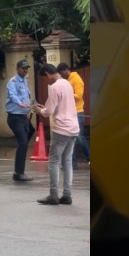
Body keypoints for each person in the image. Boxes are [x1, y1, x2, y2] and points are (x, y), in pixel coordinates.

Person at [32, 64, 80, 205]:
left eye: (45, 78)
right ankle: (67, 194)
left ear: (48, 73)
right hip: (74, 128)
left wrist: (39, 110)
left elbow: (48, 111)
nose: (47, 81)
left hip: (62, 128)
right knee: (67, 161)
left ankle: (53, 195)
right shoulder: (67, 83)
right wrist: (45, 108)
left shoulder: (54, 87)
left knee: (53, 161)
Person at [6, 59, 34, 182]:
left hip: (23, 117)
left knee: (31, 132)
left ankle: (20, 149)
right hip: (14, 116)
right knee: (23, 142)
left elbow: (27, 97)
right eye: (23, 68)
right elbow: (13, 96)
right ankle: (19, 173)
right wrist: (20, 104)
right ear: (17, 69)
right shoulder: (13, 81)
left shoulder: (25, 81)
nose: (25, 70)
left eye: (27, 68)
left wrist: (34, 104)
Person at [60, 62, 90, 167]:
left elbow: (79, 96)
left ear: (66, 70)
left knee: (79, 137)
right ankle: (72, 163)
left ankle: (89, 158)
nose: (61, 76)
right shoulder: (67, 80)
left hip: (78, 112)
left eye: (61, 73)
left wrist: (66, 94)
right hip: (70, 112)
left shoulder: (76, 79)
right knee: (69, 137)